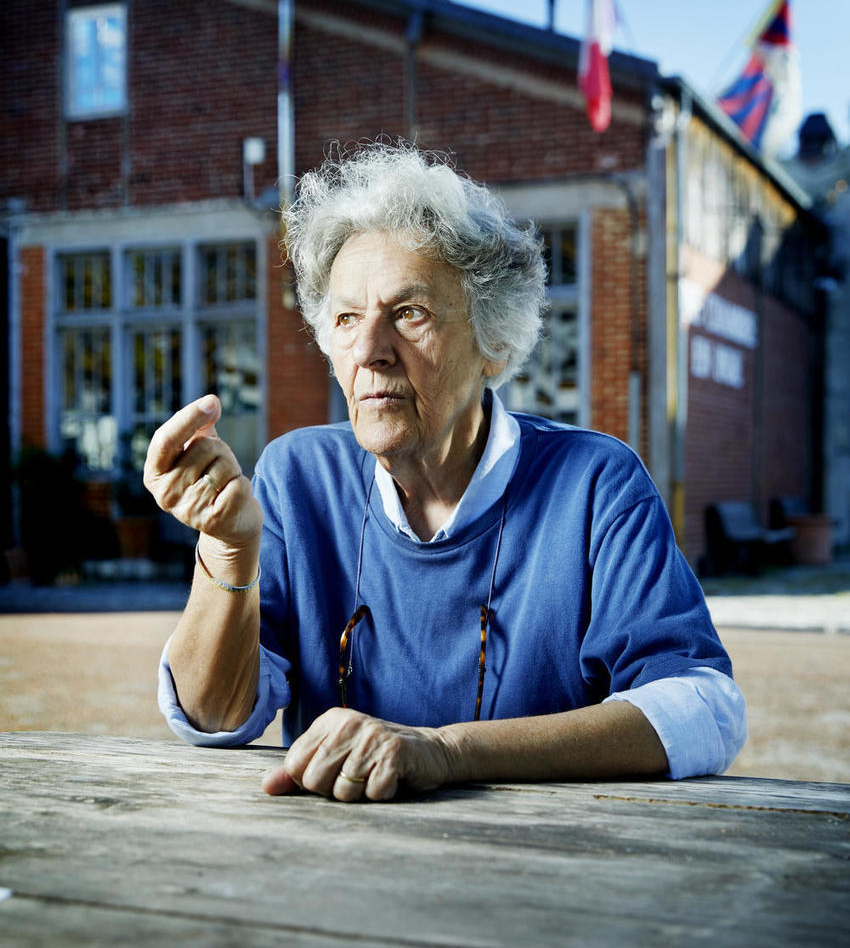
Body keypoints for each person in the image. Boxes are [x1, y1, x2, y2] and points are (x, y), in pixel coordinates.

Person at [149, 142, 746, 802]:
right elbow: (214, 718)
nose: (371, 350)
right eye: (347, 319)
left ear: (491, 342)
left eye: (409, 313)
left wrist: (446, 750)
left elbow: (703, 708)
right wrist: (228, 548)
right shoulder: (296, 478)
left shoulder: (596, 484)